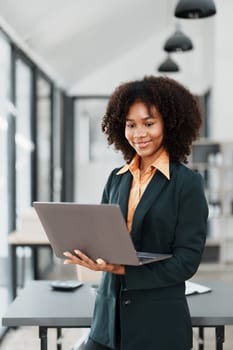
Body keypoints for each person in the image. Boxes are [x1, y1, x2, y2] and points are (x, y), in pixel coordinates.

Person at [63, 76, 208, 350]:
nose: (139, 134)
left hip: (158, 326)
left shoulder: (187, 184)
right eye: (131, 125)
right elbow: (105, 236)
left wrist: (121, 269)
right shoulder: (116, 178)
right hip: (107, 322)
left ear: (170, 124)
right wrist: (90, 253)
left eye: (149, 123)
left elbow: (186, 261)